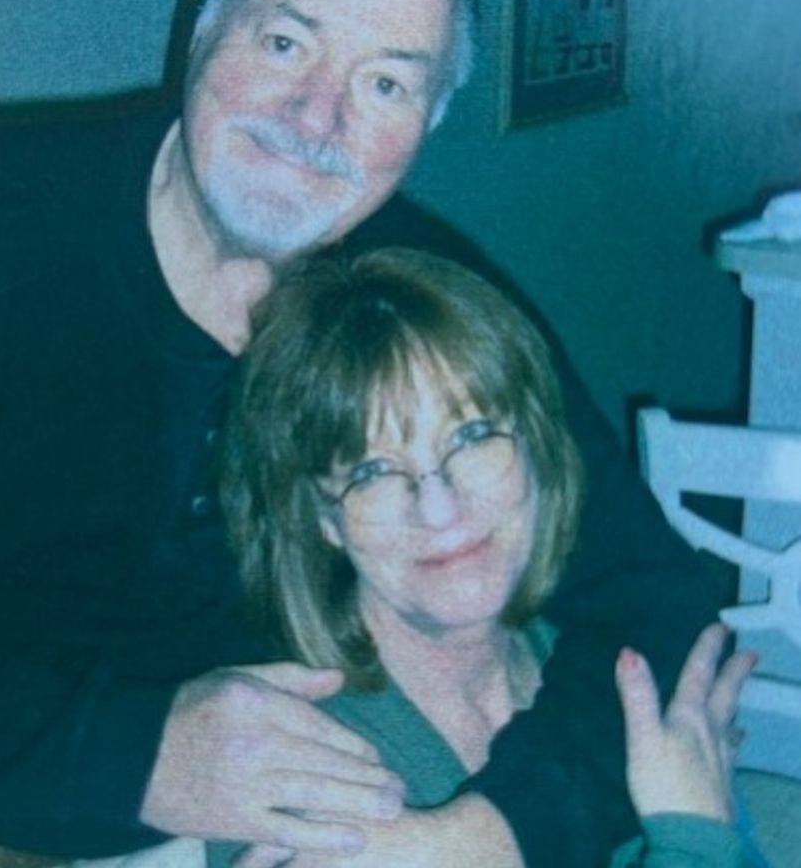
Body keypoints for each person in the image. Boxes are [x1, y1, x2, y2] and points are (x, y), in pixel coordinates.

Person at [0, 0, 719, 868]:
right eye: (285, 43)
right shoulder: (8, 230)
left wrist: (482, 835)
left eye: (385, 84)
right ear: (202, 26)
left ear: (430, 123)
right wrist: (126, 757)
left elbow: (660, 607)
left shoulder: (416, 298)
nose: (314, 117)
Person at [210, 247, 753, 868]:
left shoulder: (596, 670)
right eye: (372, 472)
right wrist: (693, 840)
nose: (439, 509)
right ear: (323, 520)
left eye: (471, 436)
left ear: (537, 446)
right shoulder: (303, 773)